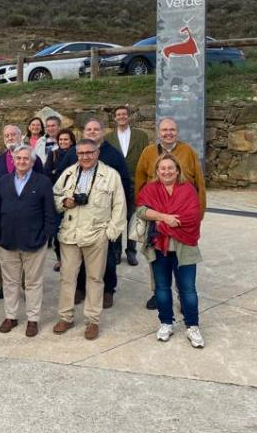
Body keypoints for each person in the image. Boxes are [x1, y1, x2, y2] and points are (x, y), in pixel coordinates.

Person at [55, 118, 133, 309]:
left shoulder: (113, 155)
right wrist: (65, 201)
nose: (91, 132)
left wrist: (114, 223)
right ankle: (80, 288)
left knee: (108, 260)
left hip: (102, 221)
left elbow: (123, 184)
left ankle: (108, 291)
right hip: (76, 220)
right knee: (77, 261)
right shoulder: (74, 154)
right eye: (88, 129)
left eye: (95, 129)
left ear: (102, 131)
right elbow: (59, 180)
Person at [53, 139, 126, 341]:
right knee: (67, 278)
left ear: (97, 152)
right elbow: (55, 195)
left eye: (89, 152)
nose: (85, 156)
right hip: (70, 233)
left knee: (95, 278)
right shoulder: (68, 174)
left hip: (96, 234)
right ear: (77, 154)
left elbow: (120, 206)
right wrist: (63, 202)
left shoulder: (111, 176)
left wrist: (110, 233)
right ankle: (65, 317)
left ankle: (93, 321)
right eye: (81, 153)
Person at [135, 117, 206, 310]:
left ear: (177, 132)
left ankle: (184, 296)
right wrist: (142, 210)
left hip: (181, 218)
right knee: (157, 258)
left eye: (172, 130)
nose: (168, 133)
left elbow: (199, 182)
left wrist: (198, 215)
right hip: (156, 216)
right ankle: (159, 293)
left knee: (183, 260)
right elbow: (140, 179)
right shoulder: (148, 152)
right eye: (164, 130)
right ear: (159, 132)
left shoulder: (188, 151)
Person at [135, 154, 205, 348]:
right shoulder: (150, 189)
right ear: (157, 171)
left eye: (170, 168)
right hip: (159, 246)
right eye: (162, 168)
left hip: (185, 247)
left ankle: (192, 326)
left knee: (188, 289)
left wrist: (159, 221)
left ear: (177, 170)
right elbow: (141, 210)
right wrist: (164, 217)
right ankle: (166, 322)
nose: (166, 171)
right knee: (162, 287)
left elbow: (192, 217)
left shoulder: (188, 189)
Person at [0, 145, 57, 338]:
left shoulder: (43, 182)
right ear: (14, 160)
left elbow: (49, 213)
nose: (22, 161)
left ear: (33, 162)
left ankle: (33, 319)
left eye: (26, 159)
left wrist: (46, 236)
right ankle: (10, 316)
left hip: (34, 242)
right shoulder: (3, 181)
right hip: (7, 242)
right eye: (18, 158)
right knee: (10, 282)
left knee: (33, 282)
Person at [0, 124, 44, 298]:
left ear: (21, 136)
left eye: (13, 134)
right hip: (6, 216)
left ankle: (26, 285)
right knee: (4, 253)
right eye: (6, 135)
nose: (10, 137)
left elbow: (42, 185)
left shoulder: (33, 159)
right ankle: (4, 286)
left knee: (27, 254)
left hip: (28, 217)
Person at [104, 106, 149, 266]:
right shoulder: (108, 138)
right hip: (115, 184)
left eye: (124, 114)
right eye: (118, 114)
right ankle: (116, 252)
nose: (121, 116)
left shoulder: (141, 136)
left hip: (135, 184)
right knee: (116, 218)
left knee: (133, 219)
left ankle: (131, 252)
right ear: (115, 118)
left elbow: (147, 160)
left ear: (129, 117)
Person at [46, 128, 76, 271]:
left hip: (73, 197)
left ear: (71, 141)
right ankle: (60, 259)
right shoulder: (52, 155)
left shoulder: (77, 154)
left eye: (66, 139)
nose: (63, 142)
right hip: (57, 197)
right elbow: (47, 174)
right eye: (61, 140)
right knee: (58, 230)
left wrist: (56, 172)